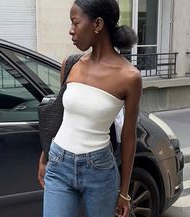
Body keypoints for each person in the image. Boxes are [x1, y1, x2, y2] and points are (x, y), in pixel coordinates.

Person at [38, 0, 141, 216]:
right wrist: (45, 156)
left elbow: (129, 136)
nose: (71, 30)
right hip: (58, 164)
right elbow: (62, 115)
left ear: (98, 24)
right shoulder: (71, 64)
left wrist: (124, 191)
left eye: (75, 23)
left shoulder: (129, 77)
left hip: (99, 170)